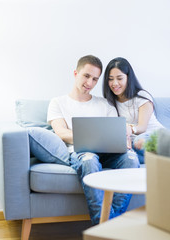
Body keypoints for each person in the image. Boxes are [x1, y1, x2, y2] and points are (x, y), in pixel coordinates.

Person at [47, 55, 140, 225]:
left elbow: (116, 131)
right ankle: (105, 227)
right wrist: (92, 138)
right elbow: (61, 132)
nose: (90, 83)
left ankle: (111, 225)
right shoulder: (58, 102)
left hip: (109, 152)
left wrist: (123, 141)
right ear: (76, 73)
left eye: (95, 79)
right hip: (82, 152)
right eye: (86, 76)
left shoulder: (105, 104)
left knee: (132, 159)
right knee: (89, 160)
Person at [103, 57, 164, 163]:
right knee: (126, 154)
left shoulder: (141, 96)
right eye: (110, 79)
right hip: (134, 145)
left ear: (128, 77)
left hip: (152, 136)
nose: (115, 83)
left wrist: (129, 129)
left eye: (119, 78)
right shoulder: (109, 102)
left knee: (138, 141)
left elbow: (142, 127)